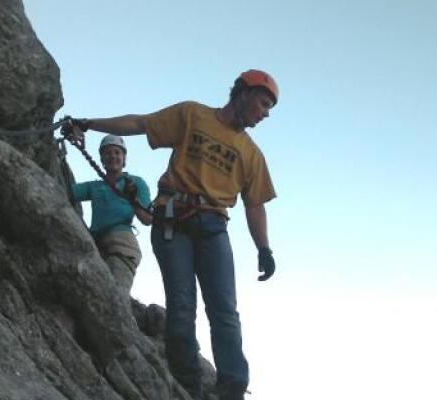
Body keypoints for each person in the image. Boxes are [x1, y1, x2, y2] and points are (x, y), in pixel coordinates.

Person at [64, 69, 278, 400]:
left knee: (224, 309)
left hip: (213, 227)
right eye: (263, 104)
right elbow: (140, 124)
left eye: (269, 109)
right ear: (243, 93)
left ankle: (233, 389)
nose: (265, 114)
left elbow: (254, 207)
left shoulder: (252, 154)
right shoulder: (193, 115)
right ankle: (187, 386)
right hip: (173, 222)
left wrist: (264, 248)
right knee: (181, 307)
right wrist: (90, 123)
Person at [71, 134, 152, 295]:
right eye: (107, 153)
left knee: (114, 297)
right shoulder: (95, 187)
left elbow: (148, 219)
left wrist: (133, 197)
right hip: (97, 244)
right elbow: (69, 190)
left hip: (123, 243)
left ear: (124, 158)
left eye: (117, 152)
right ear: (102, 159)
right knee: (96, 295)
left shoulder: (136, 183)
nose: (112, 156)